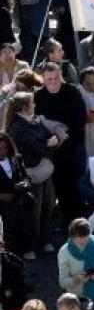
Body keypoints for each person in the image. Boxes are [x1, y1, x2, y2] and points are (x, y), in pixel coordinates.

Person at [5, 91, 57, 259]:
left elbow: (48, 140)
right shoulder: (17, 127)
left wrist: (49, 143)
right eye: (31, 103)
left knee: (48, 206)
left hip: (44, 171)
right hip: (31, 174)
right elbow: (38, 146)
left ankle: (45, 240)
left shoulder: (35, 121)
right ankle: (30, 247)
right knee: (32, 211)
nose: (34, 105)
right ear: (23, 107)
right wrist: (50, 144)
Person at [36, 62, 88, 226]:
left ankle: (81, 221)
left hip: (75, 145)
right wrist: (54, 138)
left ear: (61, 76)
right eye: (49, 79)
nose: (53, 81)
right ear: (43, 79)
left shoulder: (73, 92)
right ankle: (66, 221)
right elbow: (36, 122)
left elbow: (81, 118)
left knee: (77, 183)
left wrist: (66, 135)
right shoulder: (38, 97)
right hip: (53, 149)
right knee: (59, 185)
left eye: (56, 77)